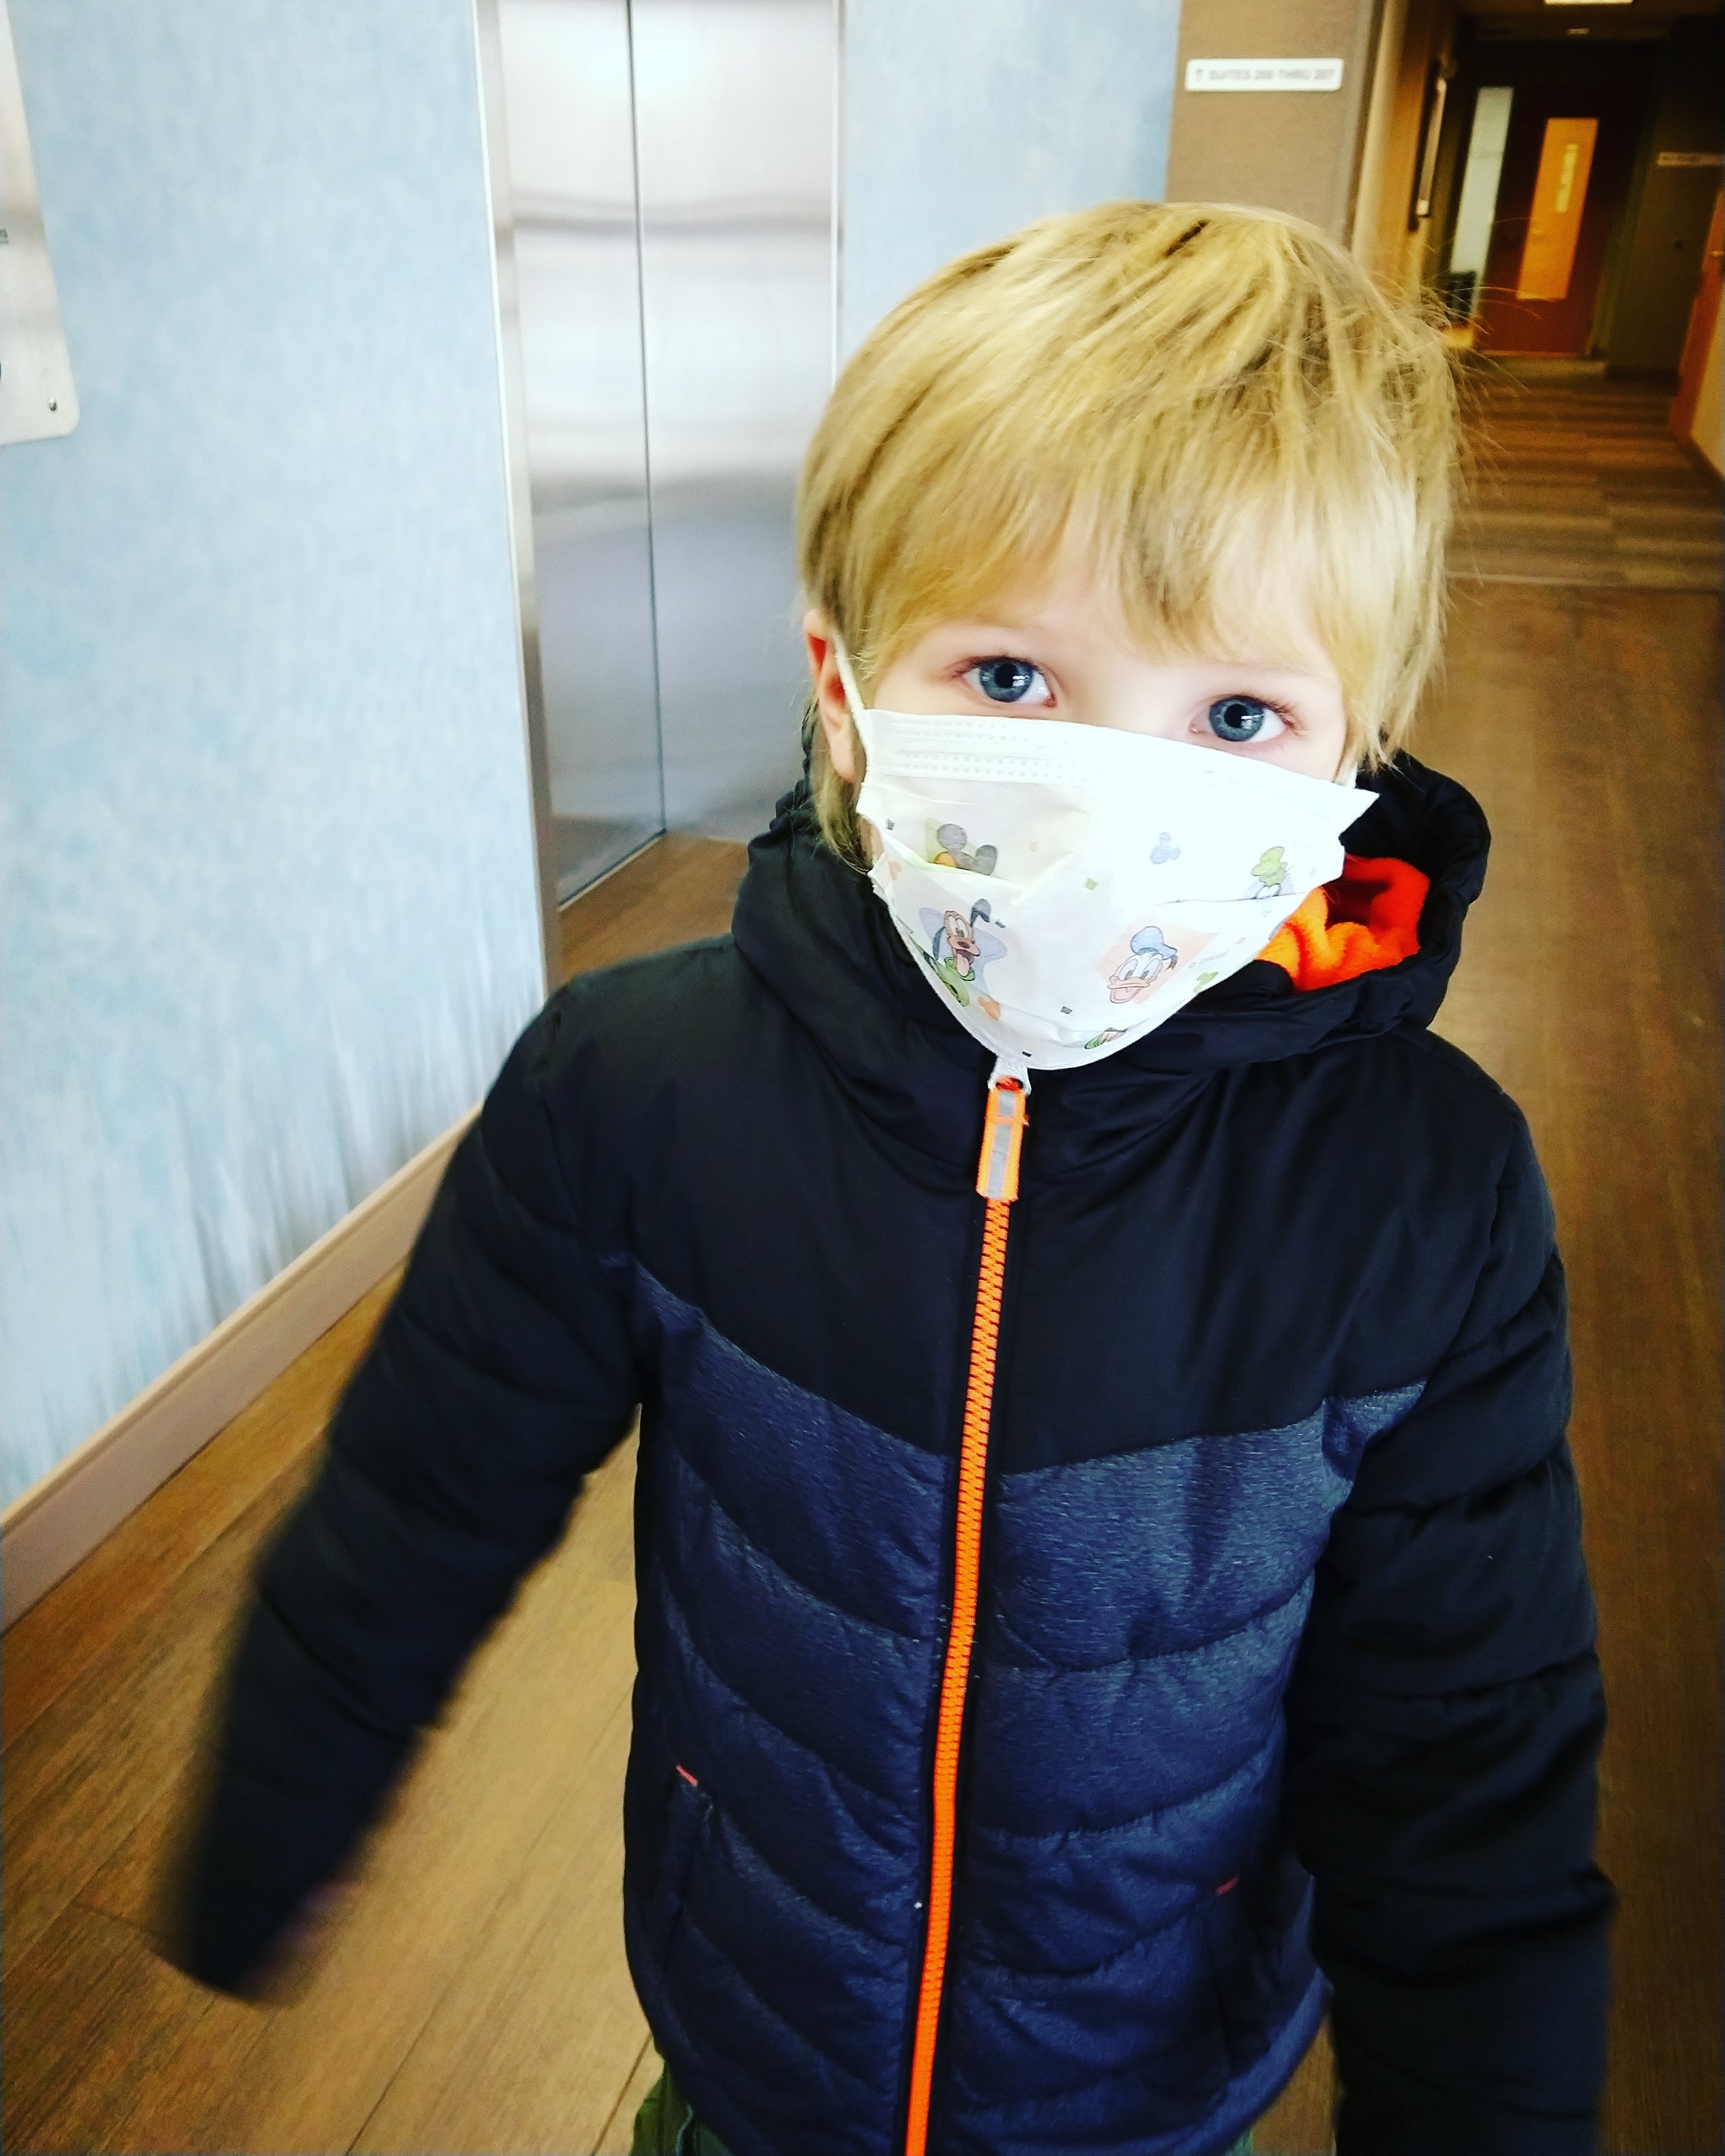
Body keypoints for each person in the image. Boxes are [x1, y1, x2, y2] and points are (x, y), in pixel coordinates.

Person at [157, 202, 1611, 2156]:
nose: (1106, 797)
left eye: (1237, 716)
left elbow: (1466, 1766)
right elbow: (422, 1493)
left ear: (1358, 754)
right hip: (757, 2032)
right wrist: (277, 1809)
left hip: (1143, 2078)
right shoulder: (637, 1089)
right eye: (1010, 677)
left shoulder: (1423, 1200)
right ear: (840, 692)